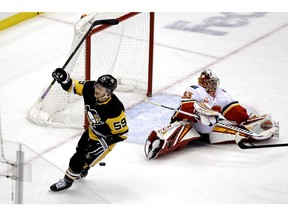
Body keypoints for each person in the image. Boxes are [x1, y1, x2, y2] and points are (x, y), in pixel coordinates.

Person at [145, 69, 278, 159]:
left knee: (240, 132)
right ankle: (159, 143)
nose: (214, 85)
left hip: (210, 132)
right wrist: (203, 114)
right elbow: (188, 107)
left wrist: (246, 119)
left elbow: (234, 110)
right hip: (190, 125)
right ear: (204, 82)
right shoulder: (195, 90)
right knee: (176, 136)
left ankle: (259, 126)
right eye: (211, 82)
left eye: (215, 82)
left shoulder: (222, 93)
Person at [49, 68, 129, 192]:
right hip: (92, 130)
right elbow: (72, 86)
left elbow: (122, 134)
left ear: (108, 93)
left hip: (105, 139)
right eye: (97, 85)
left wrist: (103, 144)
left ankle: (67, 181)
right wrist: (64, 78)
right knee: (80, 151)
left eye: (100, 89)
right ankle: (82, 170)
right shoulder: (89, 87)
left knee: (80, 158)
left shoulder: (115, 109)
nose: (96, 89)